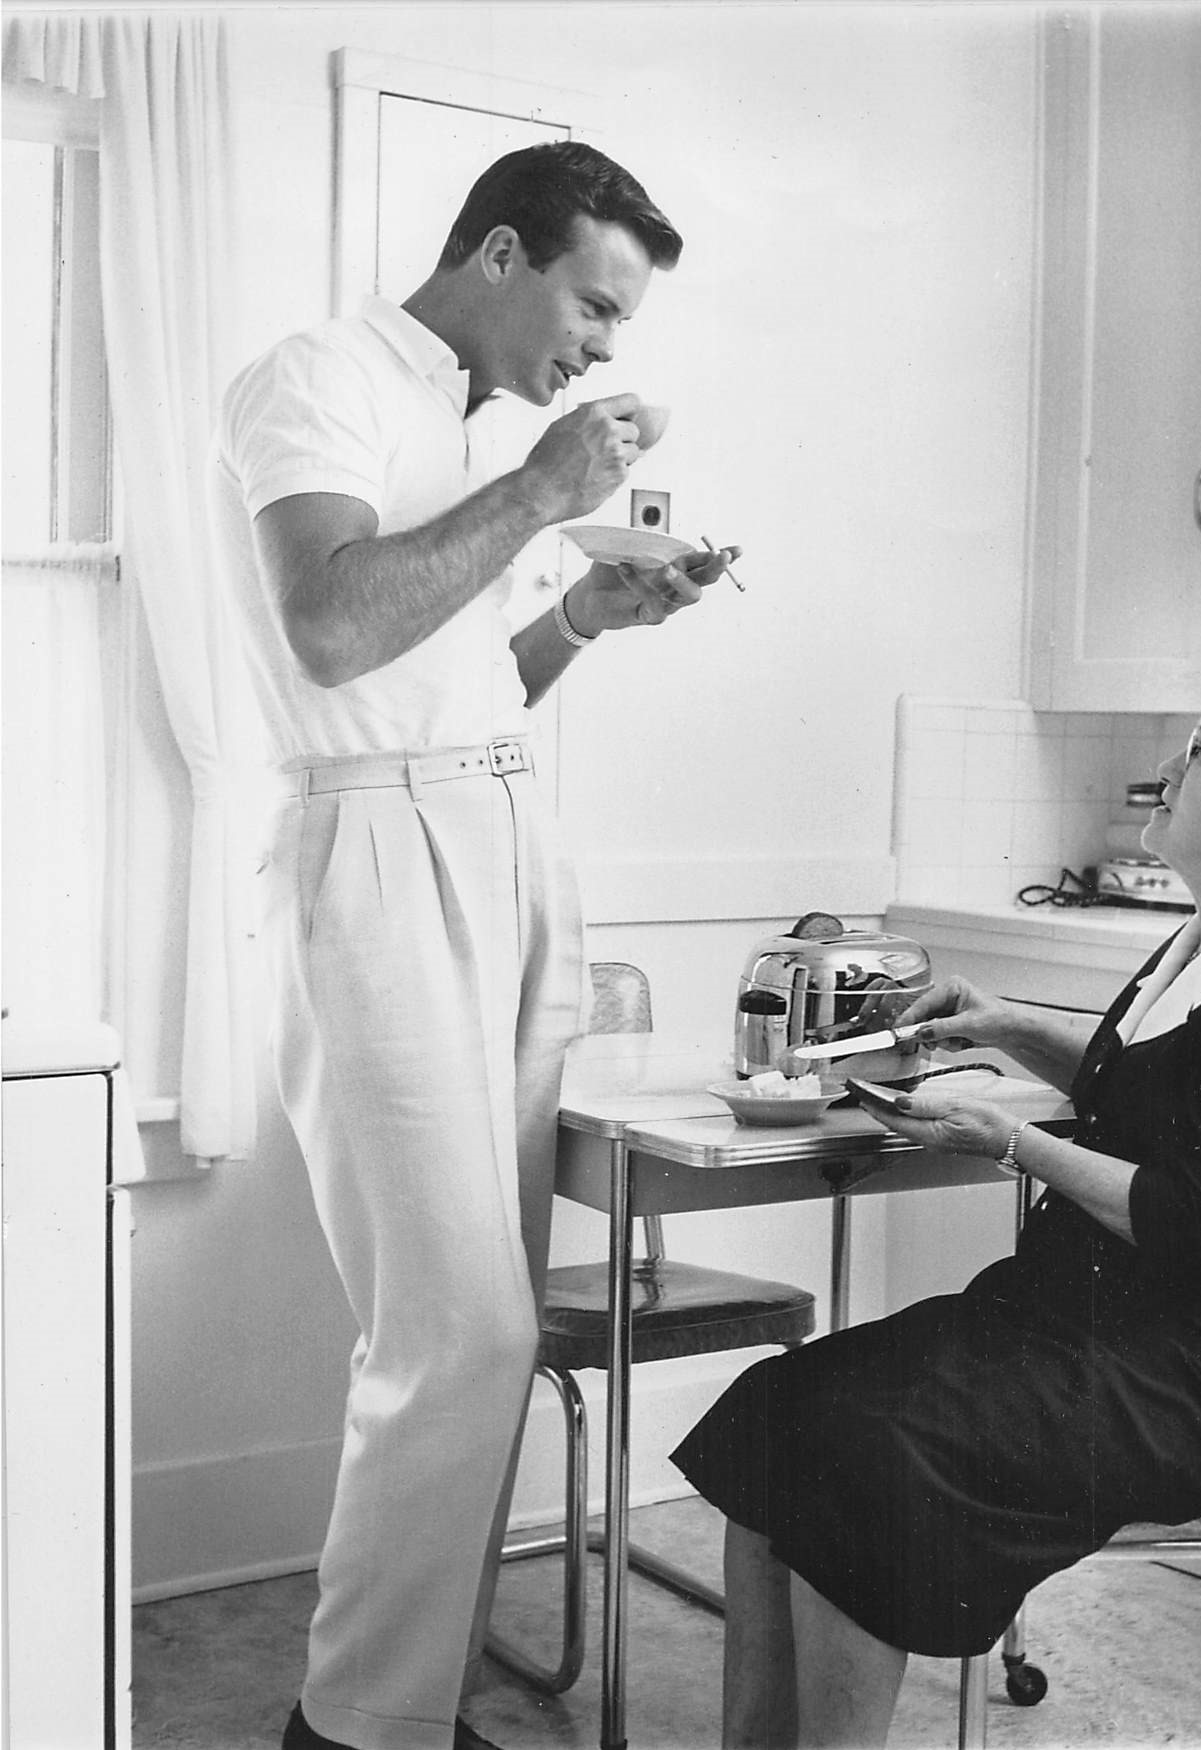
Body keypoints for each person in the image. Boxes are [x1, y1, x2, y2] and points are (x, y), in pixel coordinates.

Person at [208, 142, 738, 1750]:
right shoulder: (316, 376)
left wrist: (579, 615)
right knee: (462, 1328)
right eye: (591, 303)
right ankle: (353, 1731)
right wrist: (538, 493)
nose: (599, 349)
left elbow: (445, 686)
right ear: (499, 253)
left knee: (484, 1320)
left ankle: (405, 1711)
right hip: (371, 854)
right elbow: (329, 627)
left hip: (499, 832)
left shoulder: (477, 424)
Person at [672, 640, 1201, 1749]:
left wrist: (1005, 1136)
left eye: (1199, 753)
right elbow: (1151, 1094)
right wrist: (1008, 1021)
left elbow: (1196, 1220)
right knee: (783, 1414)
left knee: (868, 1466)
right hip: (1089, 1329)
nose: (1172, 764)